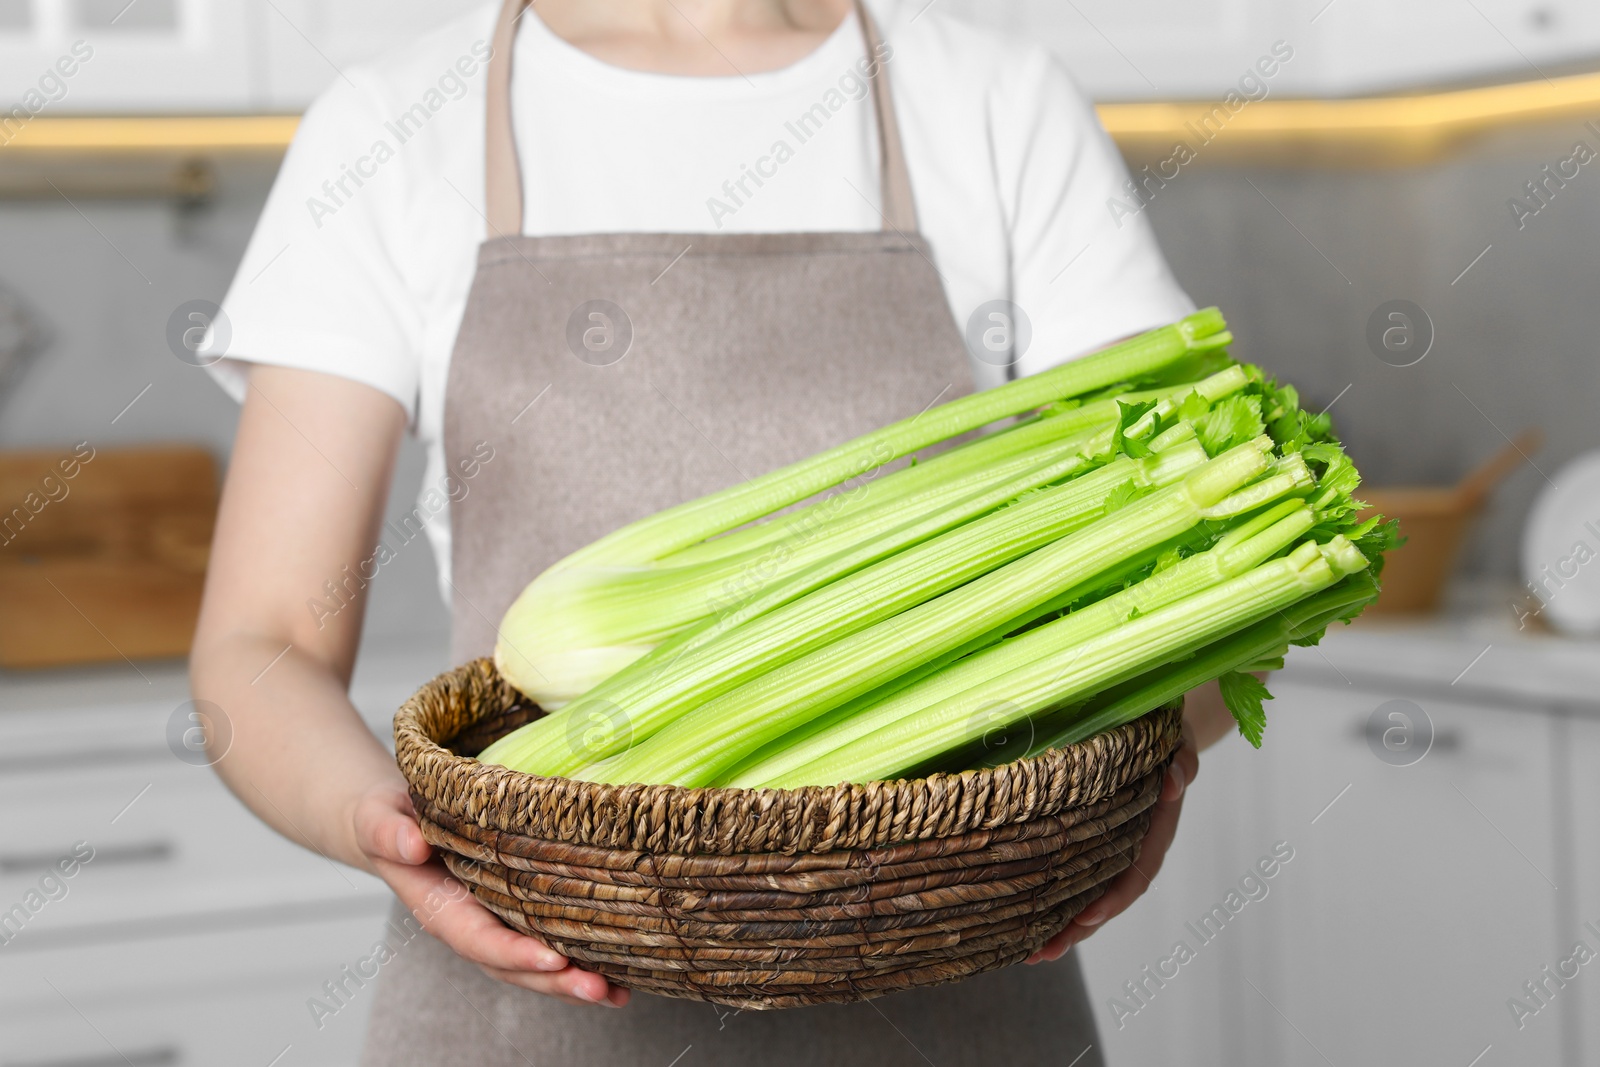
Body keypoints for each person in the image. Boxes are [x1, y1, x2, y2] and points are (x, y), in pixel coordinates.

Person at [190, 0, 1237, 1062]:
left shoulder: (993, 103)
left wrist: (1151, 754)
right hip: (521, 984)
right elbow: (260, 641)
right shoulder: (392, 123)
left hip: (953, 988)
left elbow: (1184, 537)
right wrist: (387, 825)